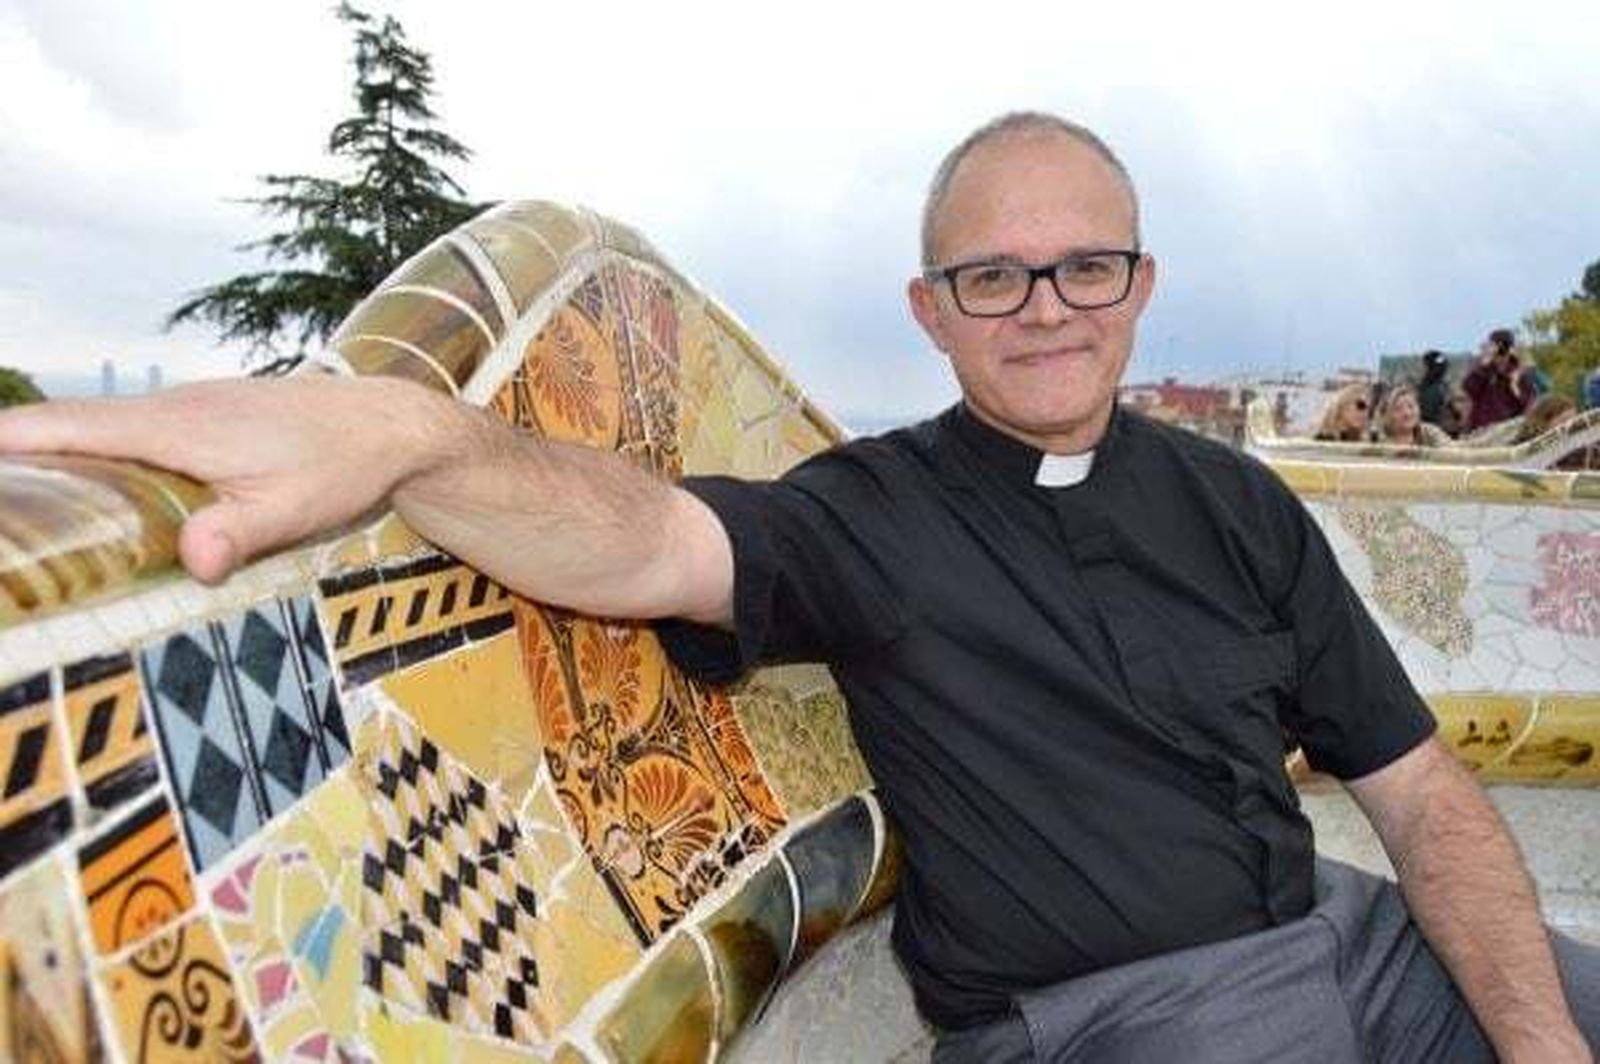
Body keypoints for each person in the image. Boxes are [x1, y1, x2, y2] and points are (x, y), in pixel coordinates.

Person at [0, 113, 1594, 1063]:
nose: (1044, 310)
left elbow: (1422, 789)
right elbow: (640, 542)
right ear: (931, 310)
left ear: (1139, 285)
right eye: (994, 278)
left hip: (1343, 934)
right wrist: (421, 435)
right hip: (1132, 1015)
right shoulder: (876, 514)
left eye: (1083, 267)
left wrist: (1531, 1039)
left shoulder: (1239, 504)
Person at [1462, 327, 1534, 431]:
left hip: (1508, 431)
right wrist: (1484, 366)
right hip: (1481, 430)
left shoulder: (1520, 373)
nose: (1500, 352)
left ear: (1510, 349)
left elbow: (1528, 404)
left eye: (1503, 347)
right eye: (1496, 347)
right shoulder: (1483, 370)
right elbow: (1469, 389)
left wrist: (1514, 387)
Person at [1376, 382, 1451, 446]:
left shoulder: (1429, 432)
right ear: (1388, 415)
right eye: (1398, 409)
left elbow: (1452, 450)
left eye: (1411, 406)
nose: (1407, 413)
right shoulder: (1378, 438)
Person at [1416, 349, 1450, 425]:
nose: (1422, 369)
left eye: (1425, 366)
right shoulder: (1442, 386)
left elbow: (1427, 414)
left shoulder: (1433, 389)